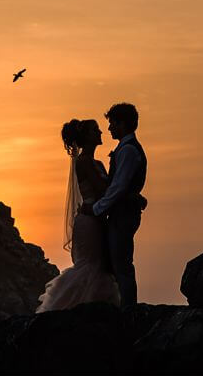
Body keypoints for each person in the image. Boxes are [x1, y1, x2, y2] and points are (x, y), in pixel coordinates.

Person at [35, 119, 120, 312]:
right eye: (95, 130)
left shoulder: (97, 163)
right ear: (86, 137)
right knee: (90, 265)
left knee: (99, 265)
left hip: (98, 219)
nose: (100, 132)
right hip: (89, 222)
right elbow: (102, 191)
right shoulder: (83, 162)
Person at [82, 102, 147, 307]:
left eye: (112, 124)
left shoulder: (128, 150)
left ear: (122, 124)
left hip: (123, 214)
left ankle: (129, 311)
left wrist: (96, 209)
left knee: (122, 265)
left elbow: (118, 187)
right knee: (116, 263)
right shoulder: (125, 149)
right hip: (121, 213)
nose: (109, 128)